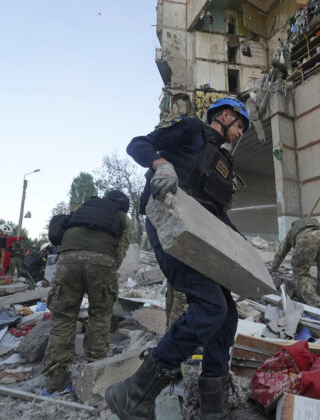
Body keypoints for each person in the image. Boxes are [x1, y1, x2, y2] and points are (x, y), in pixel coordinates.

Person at [105, 97, 249, 419]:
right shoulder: (190, 129)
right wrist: (160, 164)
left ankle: (214, 408)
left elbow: (216, 212)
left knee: (226, 316)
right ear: (224, 115)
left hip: (206, 238)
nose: (240, 133)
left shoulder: (223, 163)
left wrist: (241, 245)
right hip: (171, 225)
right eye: (240, 125)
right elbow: (138, 144)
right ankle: (133, 393)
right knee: (210, 306)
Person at [42, 190, 131, 393]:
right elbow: (121, 249)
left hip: (68, 259)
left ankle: (56, 375)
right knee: (100, 315)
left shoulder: (83, 208)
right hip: (102, 260)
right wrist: (107, 272)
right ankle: (93, 369)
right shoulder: (123, 217)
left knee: (63, 315)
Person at [270, 218, 320, 309]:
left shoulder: (291, 232)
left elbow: (281, 253)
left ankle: (318, 307)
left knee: (300, 275)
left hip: (307, 239)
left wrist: (273, 269)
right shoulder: (319, 228)